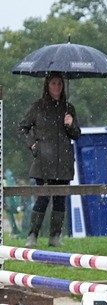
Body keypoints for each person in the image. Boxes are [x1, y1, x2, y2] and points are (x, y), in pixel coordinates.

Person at [17, 74, 81, 247]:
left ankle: (55, 236)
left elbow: (77, 135)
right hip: (43, 161)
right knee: (43, 198)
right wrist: (33, 145)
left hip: (64, 162)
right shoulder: (37, 107)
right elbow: (23, 128)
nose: (57, 87)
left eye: (60, 83)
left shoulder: (69, 108)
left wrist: (70, 124)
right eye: (53, 83)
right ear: (47, 86)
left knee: (60, 199)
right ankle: (33, 235)